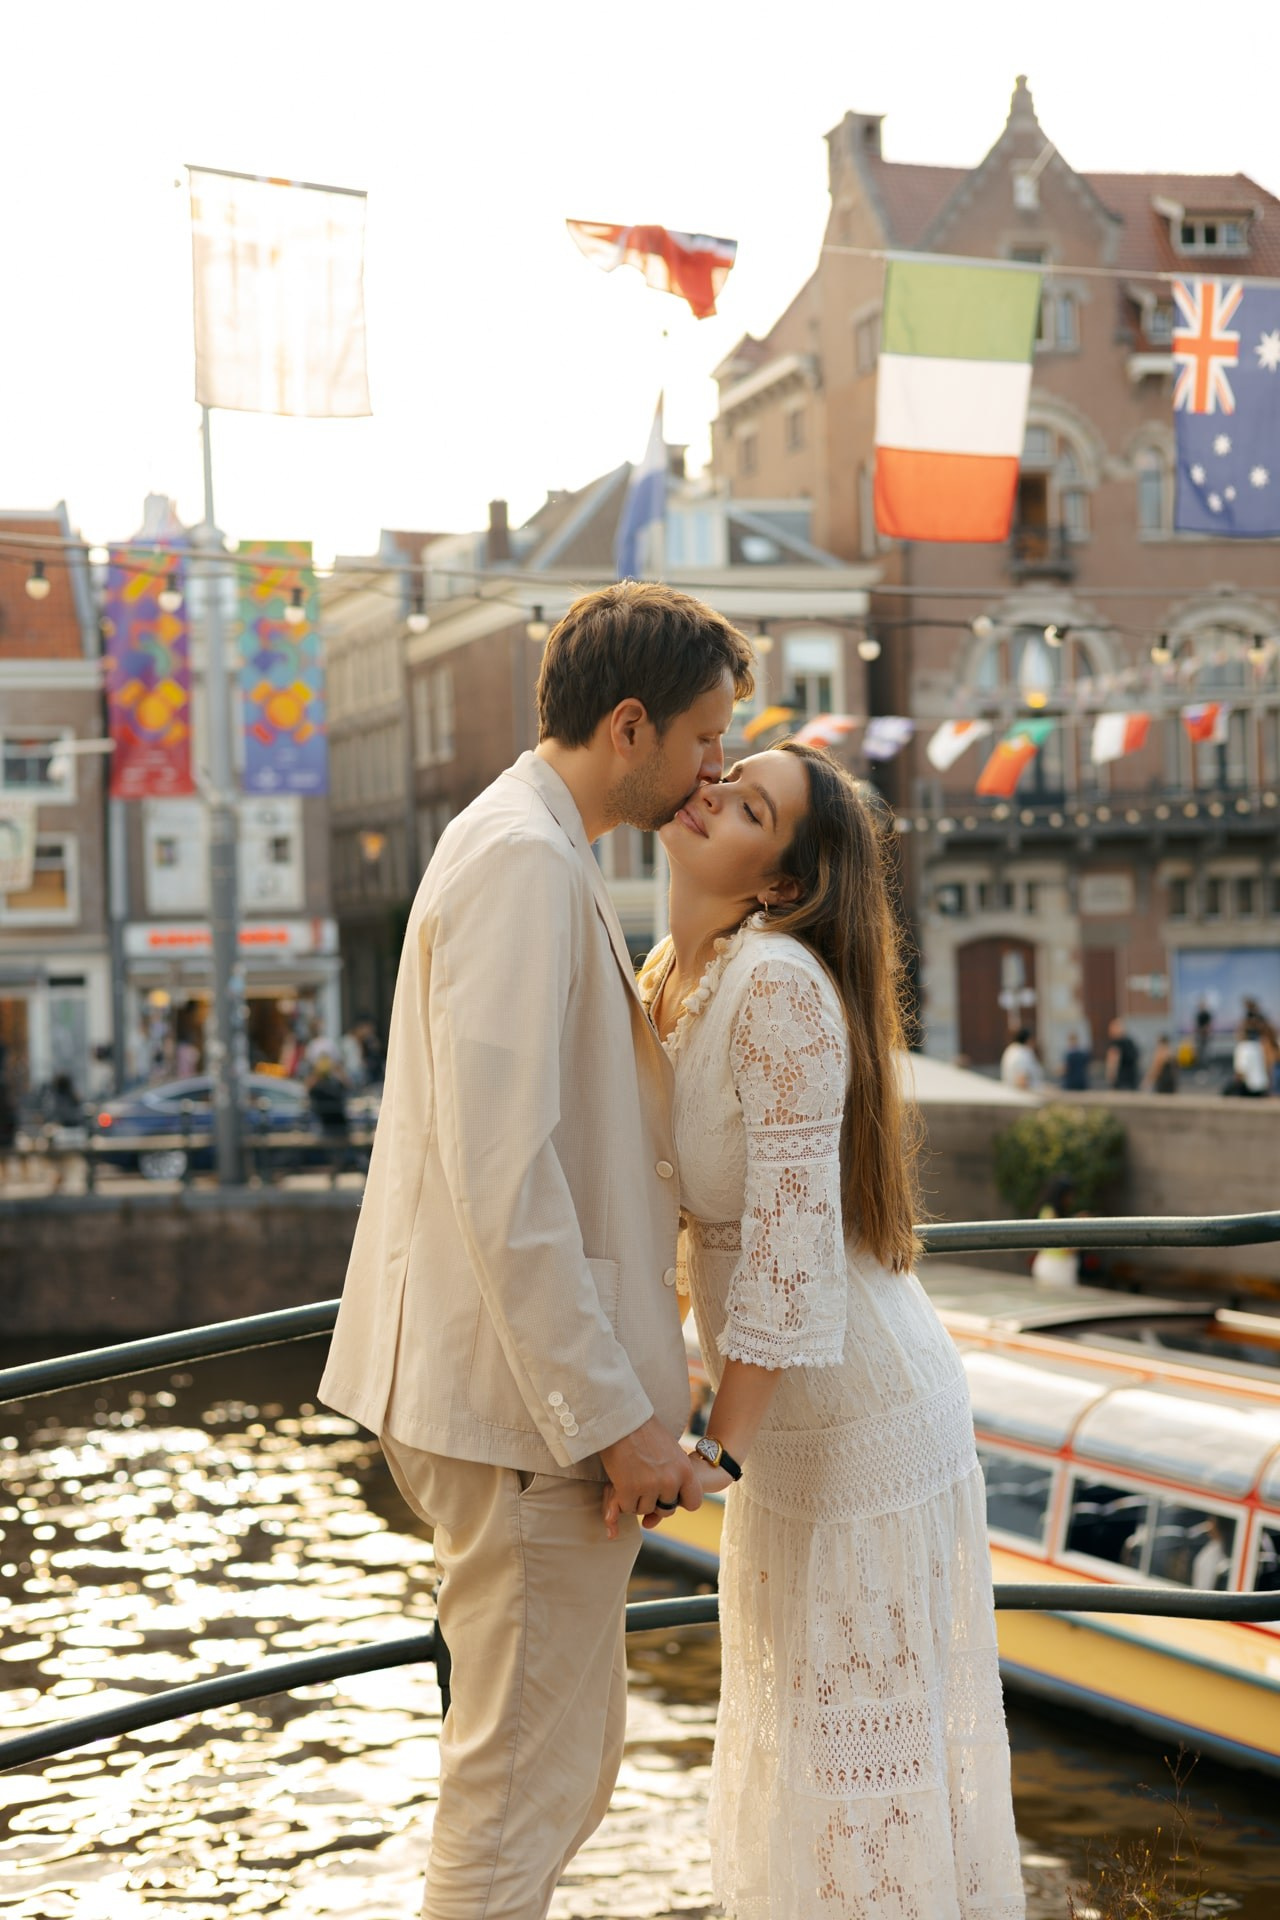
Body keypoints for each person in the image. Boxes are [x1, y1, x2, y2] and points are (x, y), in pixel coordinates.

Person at [319, 581, 755, 1920]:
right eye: (701, 740)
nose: (713, 770)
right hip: (523, 1422)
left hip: (516, 1408)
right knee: (521, 1796)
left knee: (543, 1777)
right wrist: (616, 1421)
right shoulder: (521, 859)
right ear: (629, 727)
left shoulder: (530, 844)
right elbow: (507, 1180)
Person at [626, 743, 1025, 1919]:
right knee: (803, 1744)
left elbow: (792, 1253)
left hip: (855, 1418)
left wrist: (715, 1452)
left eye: (747, 806)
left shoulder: (778, 987)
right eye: (724, 773)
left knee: (861, 1770)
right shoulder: (668, 972)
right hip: (786, 1418)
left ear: (779, 883)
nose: (706, 793)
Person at [1000, 1025, 1044, 1091]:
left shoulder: (1011, 1049)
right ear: (1029, 1039)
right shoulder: (1022, 1054)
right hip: (1024, 1096)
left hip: (1011, 1092)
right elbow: (1022, 1081)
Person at [1104, 1017, 1140, 1091]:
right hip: (1132, 1080)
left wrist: (1111, 1079)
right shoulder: (1130, 1042)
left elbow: (1112, 1062)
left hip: (1121, 1081)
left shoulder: (1116, 1043)